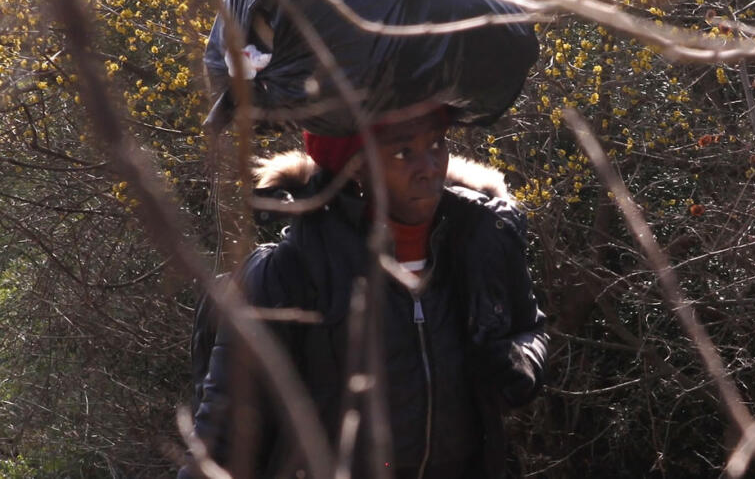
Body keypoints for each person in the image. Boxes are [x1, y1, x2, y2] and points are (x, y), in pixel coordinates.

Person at [183, 101, 548, 478]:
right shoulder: (290, 274)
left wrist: (519, 361)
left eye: (437, 143)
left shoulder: (481, 243)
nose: (429, 168)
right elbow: (222, 440)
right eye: (403, 152)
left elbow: (530, 328)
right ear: (357, 168)